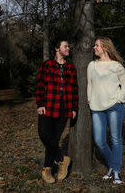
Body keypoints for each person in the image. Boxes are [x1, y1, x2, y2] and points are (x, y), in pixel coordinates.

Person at [35, 39, 78, 183]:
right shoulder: (47, 65)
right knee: (44, 134)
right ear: (57, 49)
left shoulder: (71, 67)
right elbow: (40, 85)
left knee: (54, 138)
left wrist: (73, 108)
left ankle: (47, 170)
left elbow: (74, 90)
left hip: (64, 108)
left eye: (68, 46)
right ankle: (62, 159)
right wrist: (40, 103)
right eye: (65, 46)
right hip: (48, 106)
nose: (68, 49)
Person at [87, 37, 125, 184]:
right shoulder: (92, 65)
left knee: (116, 139)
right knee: (99, 140)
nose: (94, 47)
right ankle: (113, 165)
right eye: (94, 45)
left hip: (114, 107)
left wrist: (120, 98)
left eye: (97, 45)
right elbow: (89, 84)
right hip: (96, 108)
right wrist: (90, 100)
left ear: (105, 47)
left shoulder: (116, 66)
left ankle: (115, 172)